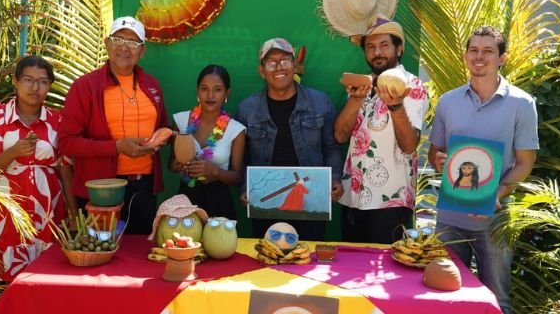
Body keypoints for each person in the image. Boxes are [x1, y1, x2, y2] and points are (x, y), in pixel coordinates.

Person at [428, 26, 539, 314]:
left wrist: (499, 192)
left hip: (495, 218)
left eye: (488, 51)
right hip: (450, 217)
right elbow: (434, 153)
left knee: (497, 299)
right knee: (445, 297)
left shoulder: (522, 104)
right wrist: (438, 161)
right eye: (474, 50)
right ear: (465, 55)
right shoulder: (447, 102)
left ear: (502, 58)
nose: (480, 56)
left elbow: (526, 162)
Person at [59, 16, 169, 235]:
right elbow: (67, 143)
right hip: (101, 190)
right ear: (107, 43)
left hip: (143, 189)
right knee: (100, 255)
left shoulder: (152, 85)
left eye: (133, 43)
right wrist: (116, 147)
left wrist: (161, 138)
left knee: (138, 258)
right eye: (118, 40)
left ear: (142, 51)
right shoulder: (85, 86)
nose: (124, 48)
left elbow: (163, 126)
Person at [0, 55, 70, 281]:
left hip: (49, 208)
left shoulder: (57, 120)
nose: (35, 87)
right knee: (6, 276)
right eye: (28, 80)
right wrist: (12, 153)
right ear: (15, 81)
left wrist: (73, 213)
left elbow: (65, 169)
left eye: (43, 81)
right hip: (6, 208)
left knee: (47, 276)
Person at [236, 37, 343, 241]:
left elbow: (331, 147)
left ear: (295, 66)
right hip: (265, 205)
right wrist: (244, 187)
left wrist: (335, 178)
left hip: (311, 202)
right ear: (261, 70)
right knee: (267, 265)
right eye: (271, 63)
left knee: (309, 265)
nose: (279, 68)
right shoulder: (247, 109)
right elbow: (241, 157)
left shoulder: (320, 102)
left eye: (285, 61)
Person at [334, 17, 429, 244]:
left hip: (390, 202)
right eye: (370, 47)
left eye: (384, 45)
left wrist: (395, 106)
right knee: (349, 273)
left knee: (383, 273)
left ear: (399, 48)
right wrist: (355, 100)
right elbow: (339, 136)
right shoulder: (361, 85)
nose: (377, 52)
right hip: (352, 197)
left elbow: (408, 146)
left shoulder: (412, 86)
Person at [168, 65, 245, 219]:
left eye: (217, 89)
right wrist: (177, 165)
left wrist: (215, 171)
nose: (210, 95)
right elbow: (171, 165)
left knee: (217, 242)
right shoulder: (180, 121)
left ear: (226, 93)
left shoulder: (236, 130)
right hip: (185, 200)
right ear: (198, 91)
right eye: (204, 89)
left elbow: (237, 177)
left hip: (219, 203)